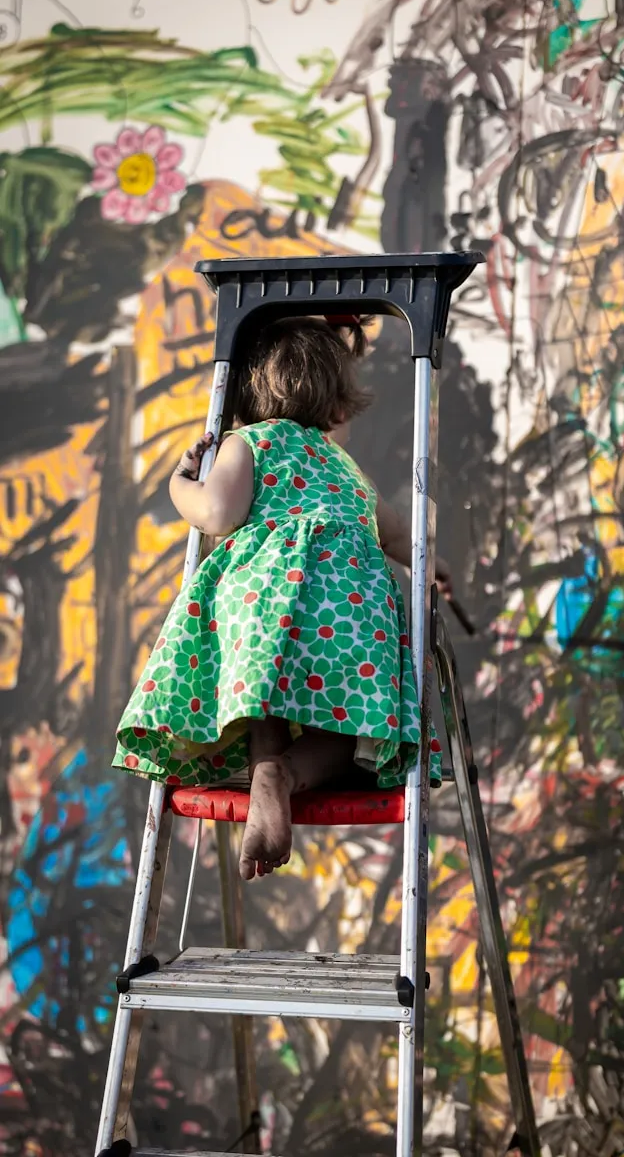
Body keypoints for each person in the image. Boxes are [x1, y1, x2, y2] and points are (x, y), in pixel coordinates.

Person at [113, 315, 451, 880]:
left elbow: (218, 513)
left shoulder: (249, 444)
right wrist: (435, 570)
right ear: (335, 405)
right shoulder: (345, 469)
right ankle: (290, 775)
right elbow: (398, 538)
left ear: (245, 394)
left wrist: (181, 484)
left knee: (260, 682)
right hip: (349, 614)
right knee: (347, 732)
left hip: (264, 610)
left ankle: (266, 762)